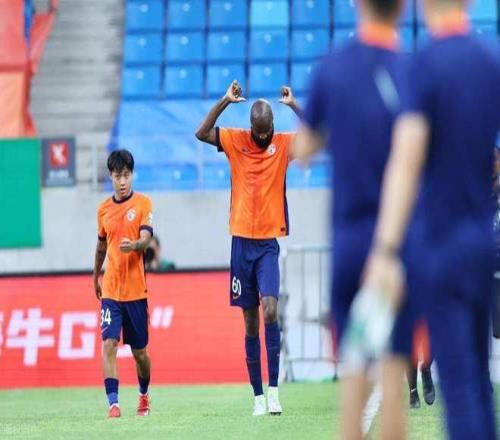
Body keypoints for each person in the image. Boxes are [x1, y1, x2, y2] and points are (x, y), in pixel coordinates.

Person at [360, 0, 500, 437]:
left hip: (443, 241)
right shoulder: (489, 61)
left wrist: (385, 248)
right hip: (483, 242)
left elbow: (406, 161)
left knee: (459, 385)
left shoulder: (423, 66)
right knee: (479, 379)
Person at [293, 0, 416, 437]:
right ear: (402, 8)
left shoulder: (332, 67)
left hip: (349, 237)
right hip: (397, 241)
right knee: (394, 367)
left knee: (354, 366)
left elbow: (303, 150)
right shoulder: (411, 70)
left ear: (357, 4)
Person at [195, 80, 301, 416]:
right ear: (251, 128)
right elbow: (201, 133)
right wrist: (225, 100)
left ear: (273, 125)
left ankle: (274, 391)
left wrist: (295, 106)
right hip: (240, 243)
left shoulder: (283, 144)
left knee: (270, 309)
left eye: (267, 131)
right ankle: (257, 396)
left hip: (268, 244)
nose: (263, 136)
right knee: (250, 322)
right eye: (258, 132)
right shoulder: (236, 140)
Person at [93, 149, 154, 418]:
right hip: (111, 291)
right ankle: (113, 404)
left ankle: (143, 394)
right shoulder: (103, 209)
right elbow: (101, 246)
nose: (122, 181)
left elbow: (146, 239)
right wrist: (95, 275)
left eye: (126, 175)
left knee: (140, 353)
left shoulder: (143, 203)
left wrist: (136, 245)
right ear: (111, 176)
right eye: (117, 176)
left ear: (132, 175)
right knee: (109, 343)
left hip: (136, 292)